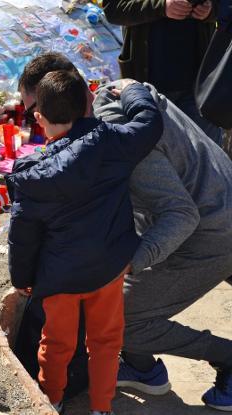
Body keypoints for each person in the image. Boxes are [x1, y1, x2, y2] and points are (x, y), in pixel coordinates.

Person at [17, 52, 232, 412]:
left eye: (36, 111)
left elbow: (179, 215)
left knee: (119, 316)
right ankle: (142, 368)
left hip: (212, 230)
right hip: (213, 207)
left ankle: (226, 358)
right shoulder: (118, 93)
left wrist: (127, 264)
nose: (37, 122)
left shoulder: (112, 137)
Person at [7, 69, 163, 415]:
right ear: (89, 105)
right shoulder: (113, 143)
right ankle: (102, 407)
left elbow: (23, 234)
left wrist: (23, 280)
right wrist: (133, 89)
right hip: (108, 268)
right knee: (106, 342)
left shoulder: (32, 174)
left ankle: (52, 399)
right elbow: (150, 122)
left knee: (56, 343)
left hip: (59, 276)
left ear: (38, 117)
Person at [103, 0, 223, 145]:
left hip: (201, 87)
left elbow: (225, 6)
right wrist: (160, 7)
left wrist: (210, 11)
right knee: (158, 157)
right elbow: (113, 10)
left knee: (209, 158)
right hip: (150, 86)